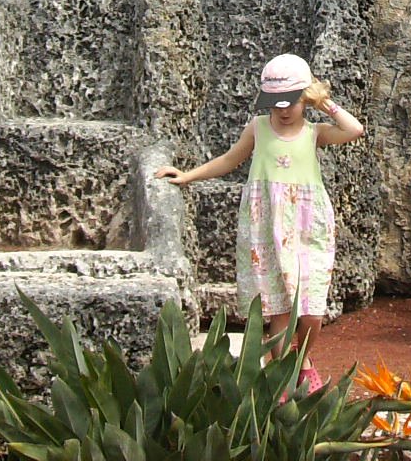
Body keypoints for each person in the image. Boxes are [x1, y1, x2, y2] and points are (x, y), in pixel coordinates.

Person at [153, 52, 364, 394]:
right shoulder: (258, 127)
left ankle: (303, 360)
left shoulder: (314, 132)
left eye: (292, 100)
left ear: (304, 98)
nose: (283, 109)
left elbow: (354, 130)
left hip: (307, 228)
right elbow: (229, 159)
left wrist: (324, 103)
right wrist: (187, 176)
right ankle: (282, 381)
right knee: (280, 310)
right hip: (267, 228)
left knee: (311, 312)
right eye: (275, 101)